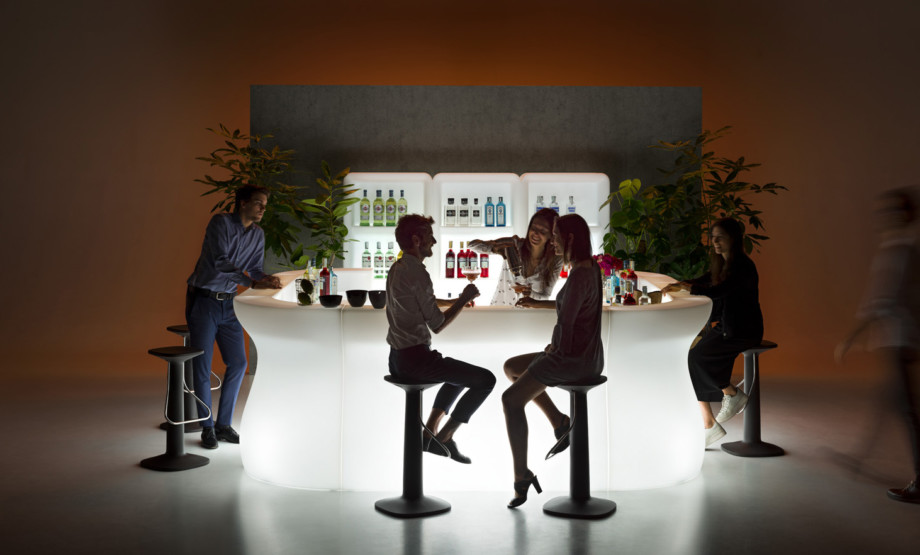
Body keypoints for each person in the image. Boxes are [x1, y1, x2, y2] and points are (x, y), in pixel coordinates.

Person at [501, 213, 604, 508]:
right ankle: (559, 422)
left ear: (569, 238)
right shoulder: (590, 267)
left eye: (556, 236)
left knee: (511, 400)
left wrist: (553, 349)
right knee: (512, 367)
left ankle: (521, 477)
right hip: (588, 357)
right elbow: (571, 308)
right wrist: (538, 304)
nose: (552, 242)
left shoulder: (579, 275)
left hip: (570, 358)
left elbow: (567, 324)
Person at [386, 214, 496, 464]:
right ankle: (445, 437)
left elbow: (420, 302)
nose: (434, 241)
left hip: (397, 359)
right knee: (485, 380)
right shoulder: (418, 272)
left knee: (456, 376)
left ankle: (429, 433)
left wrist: (454, 301)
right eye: (429, 236)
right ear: (416, 240)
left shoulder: (398, 268)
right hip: (416, 361)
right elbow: (437, 325)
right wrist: (463, 299)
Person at [836, 188, 920, 504]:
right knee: (892, 401)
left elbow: (883, 300)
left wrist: (852, 336)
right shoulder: (904, 249)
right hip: (901, 337)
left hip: (899, 337)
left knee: (906, 408)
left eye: (893, 211)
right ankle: (861, 456)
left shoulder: (899, 252)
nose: (886, 217)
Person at [186, 185, 281, 450]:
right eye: (258, 203)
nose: (263, 208)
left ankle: (223, 425)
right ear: (243, 203)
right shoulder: (221, 223)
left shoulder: (258, 234)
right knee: (202, 366)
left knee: (239, 363)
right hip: (204, 300)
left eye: (265, 205)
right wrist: (251, 283)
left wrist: (266, 279)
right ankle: (207, 427)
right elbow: (220, 261)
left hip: (229, 304)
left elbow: (255, 269)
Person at [662, 217, 764, 447]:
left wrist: (689, 288)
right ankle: (712, 419)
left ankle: (729, 397)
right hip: (728, 327)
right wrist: (683, 283)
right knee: (693, 358)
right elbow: (707, 280)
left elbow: (718, 291)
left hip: (743, 330)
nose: (715, 242)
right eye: (713, 238)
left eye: (720, 238)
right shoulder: (723, 264)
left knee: (696, 358)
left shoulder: (743, 267)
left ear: (733, 239)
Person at [468, 208, 563, 306]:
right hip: (501, 309)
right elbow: (472, 245)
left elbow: (545, 296)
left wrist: (530, 293)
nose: (535, 233)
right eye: (533, 228)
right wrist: (494, 249)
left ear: (551, 235)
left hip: (531, 314)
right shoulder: (514, 245)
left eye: (542, 231)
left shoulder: (556, 259)